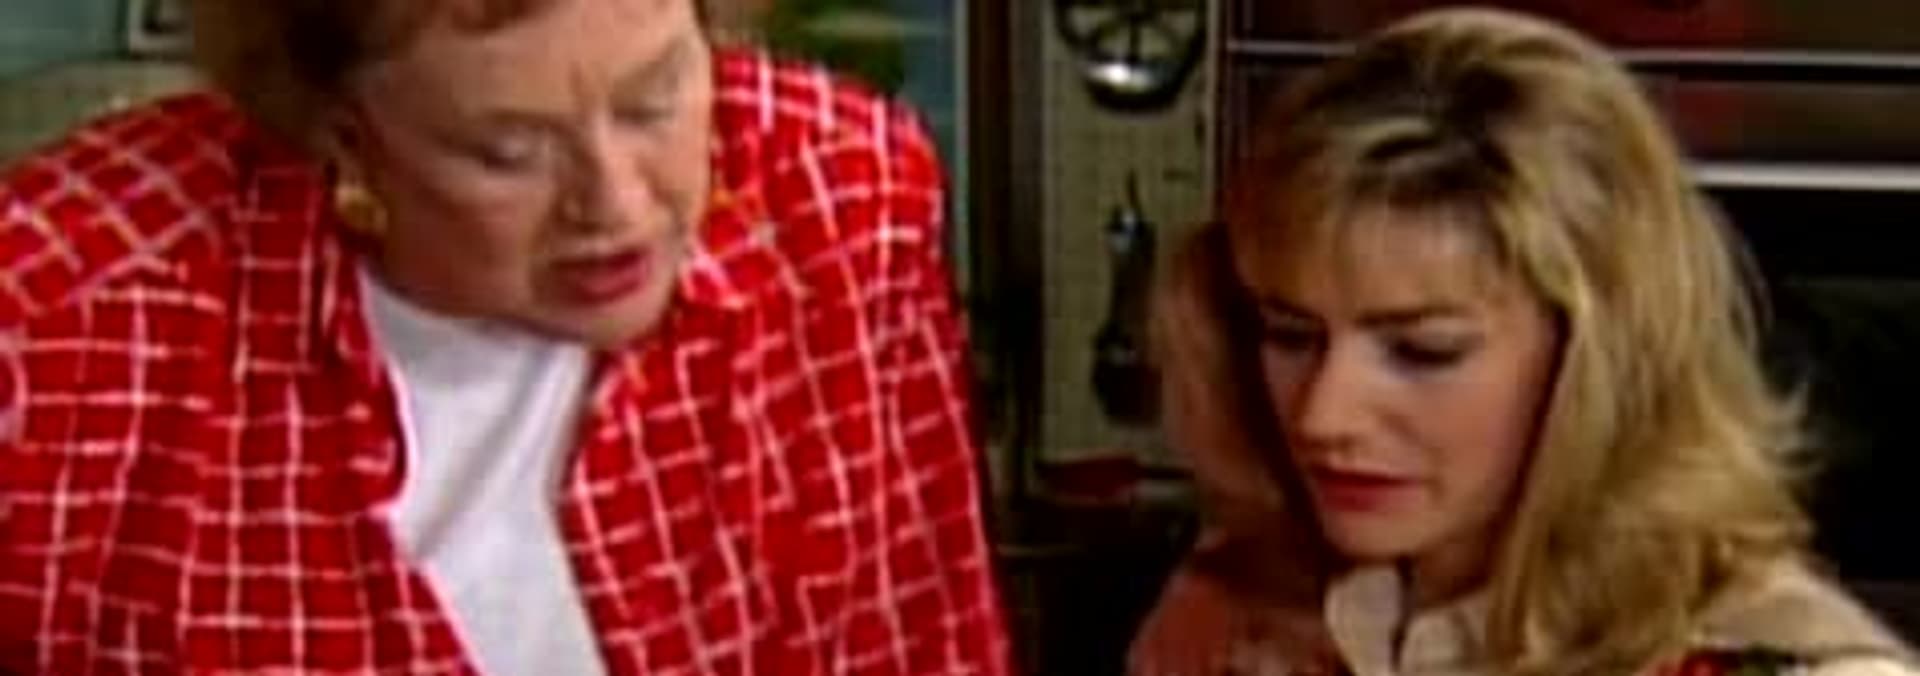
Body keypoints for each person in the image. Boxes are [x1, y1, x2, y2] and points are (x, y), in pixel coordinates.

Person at [0, 0, 1010, 673]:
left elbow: (927, 646)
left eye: (655, 99)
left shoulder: (839, 202)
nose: (616, 204)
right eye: (508, 151)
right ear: (338, 132)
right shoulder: (60, 328)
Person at [1128, 8, 1917, 676]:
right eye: (1290, 335)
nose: (1323, 416)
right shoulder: (1245, 613)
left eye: (1424, 351)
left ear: (1597, 359)